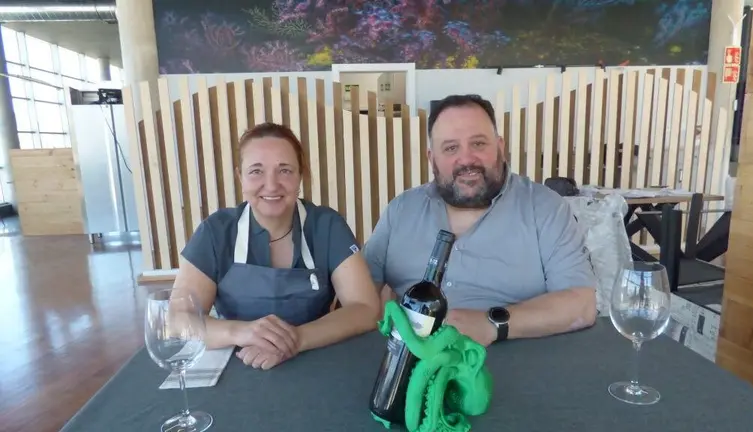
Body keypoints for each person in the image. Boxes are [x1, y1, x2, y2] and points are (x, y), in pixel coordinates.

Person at [363, 94, 598, 347]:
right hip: (413, 364)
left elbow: (581, 304)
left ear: (500, 146)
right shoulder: (401, 210)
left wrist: (493, 324)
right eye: (451, 148)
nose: (466, 160)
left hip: (520, 361)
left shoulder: (545, 208)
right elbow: (359, 298)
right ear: (431, 158)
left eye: (478, 144)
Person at [173, 122, 380, 370]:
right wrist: (243, 333)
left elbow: (366, 308)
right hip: (237, 364)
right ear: (240, 177)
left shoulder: (327, 226)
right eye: (256, 171)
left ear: (300, 175)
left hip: (315, 360)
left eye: (284, 170)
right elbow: (178, 319)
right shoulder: (215, 232)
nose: (271, 185)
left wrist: (296, 339)